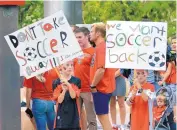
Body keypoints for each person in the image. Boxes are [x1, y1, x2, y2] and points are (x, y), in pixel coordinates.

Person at [89, 22, 115, 130]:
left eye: (91, 31)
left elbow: (100, 70)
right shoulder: (100, 47)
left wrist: (93, 86)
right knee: (102, 116)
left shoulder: (101, 48)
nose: (89, 34)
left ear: (98, 33)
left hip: (102, 88)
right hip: (102, 87)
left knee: (103, 117)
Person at [74, 27, 97, 130]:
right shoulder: (74, 51)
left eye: (80, 37)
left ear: (87, 36)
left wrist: (93, 90)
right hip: (75, 90)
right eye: (76, 37)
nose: (78, 39)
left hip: (88, 90)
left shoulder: (93, 52)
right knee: (76, 118)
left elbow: (97, 72)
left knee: (91, 119)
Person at [52, 61, 81, 130]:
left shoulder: (77, 80)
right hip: (61, 114)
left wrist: (68, 85)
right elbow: (59, 100)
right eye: (67, 65)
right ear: (61, 67)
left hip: (74, 113)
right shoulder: (56, 82)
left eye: (71, 65)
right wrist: (64, 90)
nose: (70, 67)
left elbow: (73, 96)